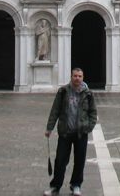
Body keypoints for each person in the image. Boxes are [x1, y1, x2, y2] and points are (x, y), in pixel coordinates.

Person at [44, 68, 97, 196]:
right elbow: (55, 110)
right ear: (71, 77)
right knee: (60, 161)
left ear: (83, 78)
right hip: (65, 132)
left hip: (81, 133)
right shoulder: (63, 91)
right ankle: (55, 186)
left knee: (79, 161)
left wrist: (88, 127)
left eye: (79, 76)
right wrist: (49, 128)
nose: (77, 78)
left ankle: (76, 185)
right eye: (75, 76)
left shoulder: (88, 94)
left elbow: (93, 112)